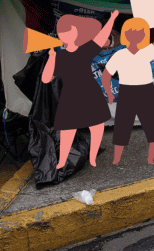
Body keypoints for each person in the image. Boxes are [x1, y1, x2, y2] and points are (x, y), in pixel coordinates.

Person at [41, 10, 119, 169]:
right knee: (68, 130)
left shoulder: (84, 49)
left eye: (68, 30)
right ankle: (62, 160)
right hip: (71, 96)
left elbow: (101, 37)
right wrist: (51, 58)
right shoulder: (60, 56)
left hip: (89, 94)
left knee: (97, 127)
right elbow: (46, 78)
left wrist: (111, 19)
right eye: (62, 32)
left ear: (76, 32)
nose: (65, 34)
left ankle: (92, 157)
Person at [101, 17, 154, 165]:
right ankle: (117, 159)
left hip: (146, 91)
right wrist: (109, 93)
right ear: (125, 35)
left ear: (143, 36)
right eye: (131, 33)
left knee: (153, 126)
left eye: (139, 33)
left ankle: (151, 158)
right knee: (122, 127)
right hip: (127, 92)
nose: (135, 36)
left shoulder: (146, 52)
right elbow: (106, 75)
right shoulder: (119, 55)